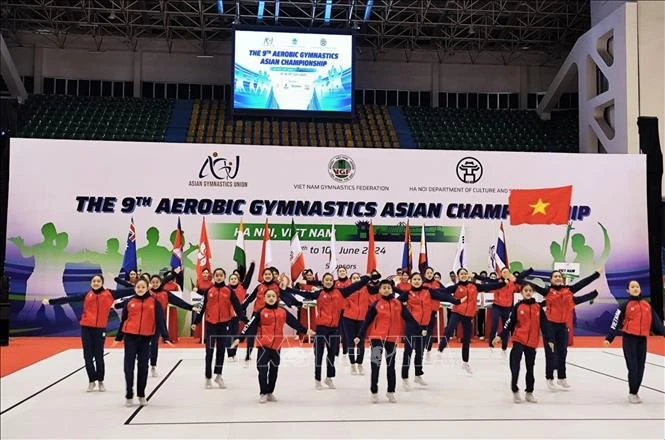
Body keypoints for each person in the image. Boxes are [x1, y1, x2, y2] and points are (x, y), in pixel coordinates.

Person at [286, 272, 379, 389]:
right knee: (318, 354)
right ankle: (317, 379)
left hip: (334, 329)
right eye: (326, 280)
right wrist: (288, 289)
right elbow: (301, 293)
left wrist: (368, 277)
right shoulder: (319, 293)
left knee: (331, 354)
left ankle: (329, 378)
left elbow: (357, 285)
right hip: (321, 328)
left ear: (333, 282)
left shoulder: (341, 293)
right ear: (323, 282)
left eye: (330, 280)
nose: (329, 282)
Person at [42, 275, 134, 392]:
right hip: (86, 328)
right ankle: (91, 380)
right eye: (94, 281)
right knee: (88, 356)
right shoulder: (87, 295)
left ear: (102, 283)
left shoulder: (110, 294)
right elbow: (68, 299)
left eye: (98, 281)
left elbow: (129, 291)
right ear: (91, 283)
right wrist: (50, 302)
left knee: (99, 356)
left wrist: (145, 287)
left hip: (100, 329)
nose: (96, 283)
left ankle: (100, 381)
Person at [231, 289, 315, 403]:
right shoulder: (260, 312)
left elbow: (294, 323)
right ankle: (263, 392)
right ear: (264, 299)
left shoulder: (283, 312)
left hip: (277, 346)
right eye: (268, 296)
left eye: (273, 296)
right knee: (262, 369)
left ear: (277, 298)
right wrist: (239, 338)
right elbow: (249, 326)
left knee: (274, 370)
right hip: (263, 345)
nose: (271, 298)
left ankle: (270, 392)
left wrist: (305, 330)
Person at [526, 270, 600, 389]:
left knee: (562, 353)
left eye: (559, 276)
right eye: (555, 276)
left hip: (562, 327)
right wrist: (516, 280)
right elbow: (532, 286)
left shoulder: (569, 291)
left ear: (562, 279)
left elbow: (583, 283)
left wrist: (596, 275)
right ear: (551, 280)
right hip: (549, 326)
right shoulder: (548, 292)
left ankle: (562, 378)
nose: (557, 278)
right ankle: (549, 378)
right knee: (551, 353)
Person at [394, 272, 465, 389]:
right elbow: (395, 303)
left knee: (420, 351)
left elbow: (442, 296)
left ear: (422, 281)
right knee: (408, 352)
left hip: (423, 327)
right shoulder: (408, 293)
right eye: (414, 279)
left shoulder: (428, 291)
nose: (417, 281)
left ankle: (418, 374)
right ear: (411, 281)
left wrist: (455, 301)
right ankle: (405, 377)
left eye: (418, 279)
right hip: (411, 327)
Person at [355, 279, 420, 403]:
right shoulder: (375, 305)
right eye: (383, 287)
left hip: (392, 339)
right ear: (379, 290)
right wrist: (360, 335)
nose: (386, 290)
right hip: (377, 338)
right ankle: (374, 391)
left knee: (391, 366)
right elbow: (367, 321)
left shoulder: (398, 304)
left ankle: (391, 391)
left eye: (388, 288)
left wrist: (419, 328)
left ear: (392, 289)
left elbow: (409, 318)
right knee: (376, 365)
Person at [112, 279, 172, 407]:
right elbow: (124, 321)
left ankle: (141, 394)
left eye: (142, 287)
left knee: (143, 367)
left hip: (146, 338)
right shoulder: (129, 302)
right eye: (138, 287)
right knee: (129, 367)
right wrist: (118, 337)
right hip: (130, 337)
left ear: (147, 288)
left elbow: (160, 320)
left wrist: (166, 336)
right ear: (135, 288)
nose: (140, 289)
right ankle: (129, 393)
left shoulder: (154, 302)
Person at [604, 280, 665, 403]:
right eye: (632, 287)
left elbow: (657, 322)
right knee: (633, 367)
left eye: (637, 286)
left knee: (641, 367)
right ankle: (632, 393)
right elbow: (615, 321)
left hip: (642, 339)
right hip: (629, 339)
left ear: (640, 289)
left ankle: (635, 391)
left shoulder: (647, 305)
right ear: (628, 290)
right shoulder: (625, 305)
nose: (635, 288)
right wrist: (609, 338)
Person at [492, 284, 553, 404]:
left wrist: (549, 339)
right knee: (515, 367)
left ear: (533, 292)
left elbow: (545, 325)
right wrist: (500, 335)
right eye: (526, 290)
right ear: (522, 292)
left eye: (530, 290)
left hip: (532, 342)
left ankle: (529, 392)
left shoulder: (538, 308)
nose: (528, 292)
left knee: (530, 368)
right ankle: (514, 389)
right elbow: (509, 323)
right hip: (519, 339)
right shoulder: (517, 307)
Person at [438, 268, 504, 373]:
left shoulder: (475, 286)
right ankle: (441, 348)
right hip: (457, 312)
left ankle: (465, 362)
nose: (463, 275)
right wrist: (429, 290)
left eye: (465, 273)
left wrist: (502, 284)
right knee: (450, 329)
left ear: (468, 275)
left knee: (467, 339)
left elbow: (489, 286)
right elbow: (442, 291)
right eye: (461, 274)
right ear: (458, 276)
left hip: (468, 315)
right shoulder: (456, 287)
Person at [191, 268, 247, 389]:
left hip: (224, 324)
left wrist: (243, 318)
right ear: (214, 277)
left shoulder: (229, 291)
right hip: (211, 324)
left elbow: (237, 306)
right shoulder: (208, 291)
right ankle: (207, 377)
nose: (219, 277)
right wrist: (196, 321)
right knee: (209, 352)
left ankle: (218, 375)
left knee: (221, 351)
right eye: (217, 275)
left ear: (224, 277)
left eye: (221, 275)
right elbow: (202, 307)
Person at [242, 267, 301, 362]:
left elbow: (287, 296)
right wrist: (242, 307)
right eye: (265, 274)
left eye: (269, 274)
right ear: (263, 276)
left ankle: (270, 352)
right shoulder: (259, 287)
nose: (267, 276)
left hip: (271, 315)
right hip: (258, 313)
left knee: (270, 335)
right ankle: (248, 354)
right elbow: (250, 299)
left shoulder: (277, 286)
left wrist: (297, 304)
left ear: (272, 276)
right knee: (251, 333)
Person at [481, 267, 534, 353]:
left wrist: (530, 270)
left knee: (506, 326)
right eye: (503, 272)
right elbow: (486, 279)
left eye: (507, 272)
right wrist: (475, 276)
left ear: (509, 273)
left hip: (507, 307)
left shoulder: (512, 282)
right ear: (501, 274)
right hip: (497, 306)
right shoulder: (497, 281)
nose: (505, 274)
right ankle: (491, 342)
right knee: (494, 323)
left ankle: (504, 345)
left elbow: (521, 276)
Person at [341, 272, 380, 375]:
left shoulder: (366, 288)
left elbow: (377, 290)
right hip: (348, 318)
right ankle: (352, 365)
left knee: (360, 342)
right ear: (350, 280)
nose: (356, 279)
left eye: (358, 277)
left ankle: (360, 364)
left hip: (362, 318)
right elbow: (342, 303)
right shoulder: (347, 290)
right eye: (354, 278)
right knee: (351, 341)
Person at [227, 262, 255, 360]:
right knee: (228, 335)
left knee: (235, 334)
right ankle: (230, 354)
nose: (233, 280)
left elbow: (248, 278)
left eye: (235, 279)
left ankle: (233, 353)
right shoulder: (225, 289)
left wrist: (252, 267)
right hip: (227, 315)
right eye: (231, 279)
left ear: (238, 280)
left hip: (238, 315)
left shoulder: (242, 287)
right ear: (229, 280)